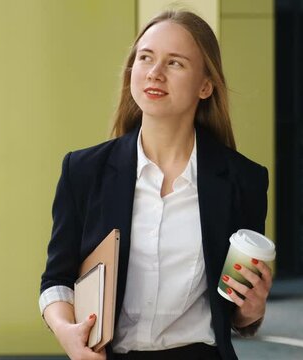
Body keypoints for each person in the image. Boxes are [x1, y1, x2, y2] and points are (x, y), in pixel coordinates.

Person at [39, 10, 272, 360]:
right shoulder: (83, 171)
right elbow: (56, 280)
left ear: (205, 85)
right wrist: (65, 330)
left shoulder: (244, 180)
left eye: (175, 63)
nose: (154, 72)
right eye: (145, 57)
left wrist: (251, 311)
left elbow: (237, 311)